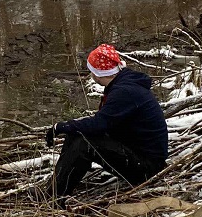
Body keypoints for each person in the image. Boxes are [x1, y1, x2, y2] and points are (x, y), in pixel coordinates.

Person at [45, 43, 168, 199]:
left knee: (84, 144)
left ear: (98, 73)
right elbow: (102, 124)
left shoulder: (124, 92)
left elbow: (99, 125)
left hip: (147, 168)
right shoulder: (123, 83)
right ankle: (56, 188)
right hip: (137, 153)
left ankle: (53, 198)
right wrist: (69, 128)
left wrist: (61, 127)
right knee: (77, 133)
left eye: (91, 70)